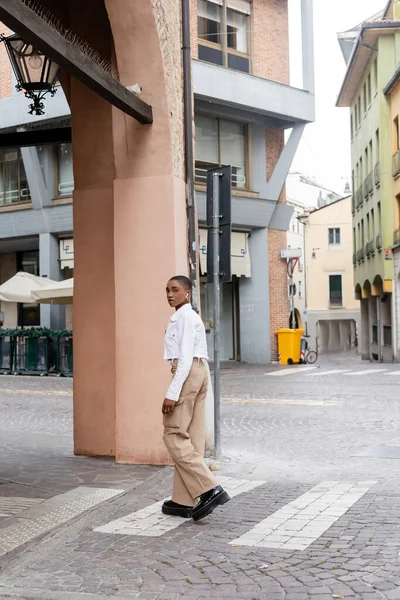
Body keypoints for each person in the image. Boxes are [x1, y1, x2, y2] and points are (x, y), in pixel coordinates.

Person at [162, 275, 230, 522]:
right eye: (167, 290)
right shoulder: (186, 316)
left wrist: (172, 393)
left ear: (187, 293)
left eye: (175, 290)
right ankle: (183, 500)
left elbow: (185, 356)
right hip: (199, 372)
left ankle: (209, 488)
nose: (170, 294)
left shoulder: (185, 318)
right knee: (192, 436)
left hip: (188, 372)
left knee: (173, 434)